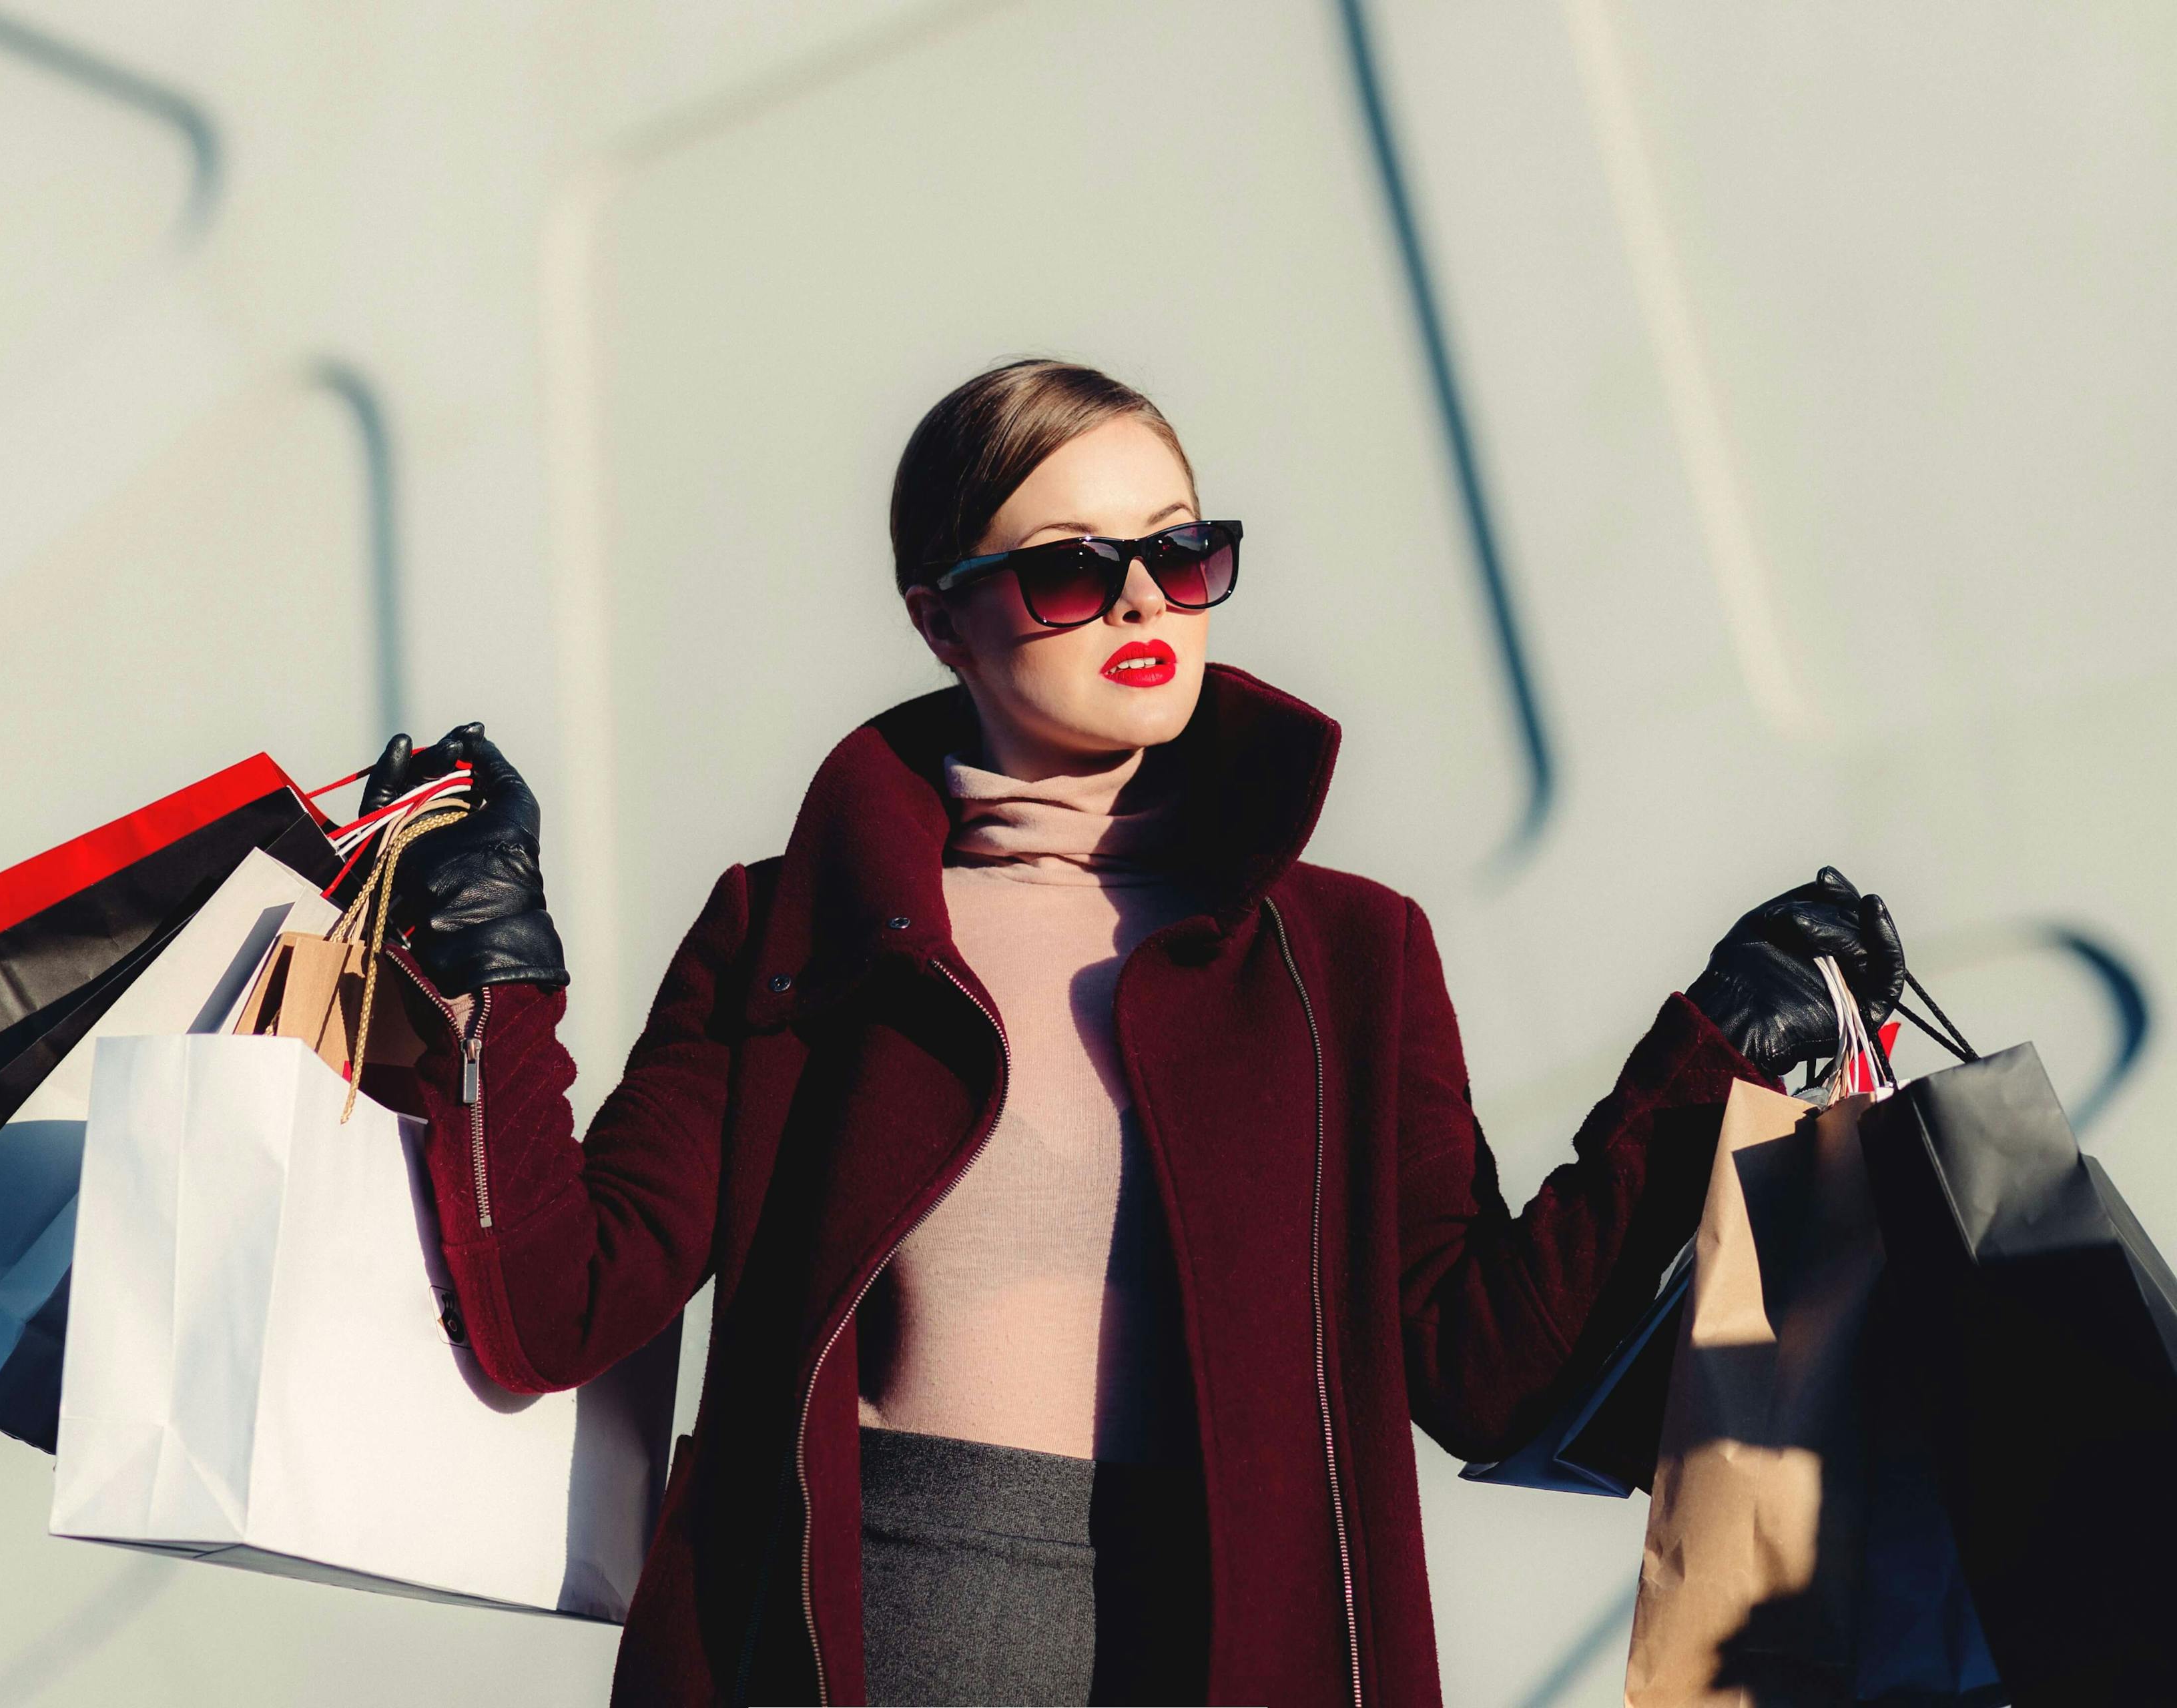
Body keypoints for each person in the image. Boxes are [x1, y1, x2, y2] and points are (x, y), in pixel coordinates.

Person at [358, 360, 1905, 1706]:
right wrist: (496, 965)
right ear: (940, 617)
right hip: (868, 1641)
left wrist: (1712, 1049)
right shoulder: (796, 929)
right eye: (1069, 570)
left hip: (1243, 1642)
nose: (1149, 601)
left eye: (1183, 549)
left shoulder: (1348, 953)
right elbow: (557, 1304)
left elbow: (1481, 1367)